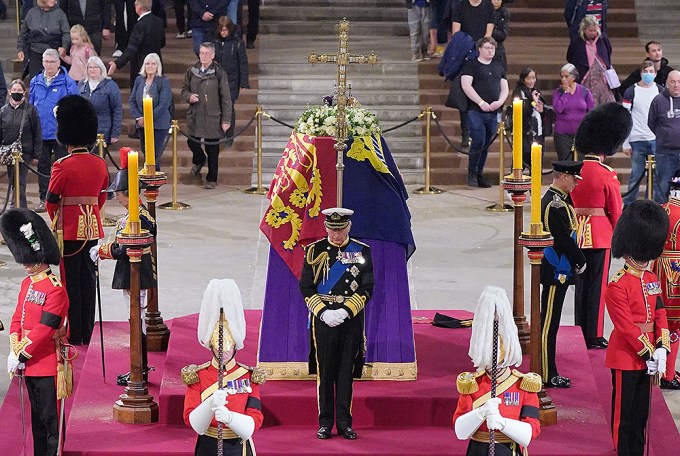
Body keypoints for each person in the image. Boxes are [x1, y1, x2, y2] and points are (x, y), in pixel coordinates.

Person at [299, 208, 374, 440]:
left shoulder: (362, 251)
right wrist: (322, 312)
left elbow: (367, 287)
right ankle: (325, 423)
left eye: (340, 229)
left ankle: (344, 423)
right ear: (326, 227)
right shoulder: (314, 251)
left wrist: (346, 310)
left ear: (348, 228)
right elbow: (306, 287)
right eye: (332, 229)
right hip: (323, 319)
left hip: (349, 318)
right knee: (326, 371)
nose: (336, 235)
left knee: (345, 372)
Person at [2, 208, 69, 456]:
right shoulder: (27, 284)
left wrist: (22, 353)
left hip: (46, 362)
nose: (25, 265)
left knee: (51, 423)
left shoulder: (55, 289)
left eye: (28, 260)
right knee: (37, 421)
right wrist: (14, 348)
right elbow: (17, 318)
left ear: (40, 260)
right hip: (28, 361)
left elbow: (45, 328)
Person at [605, 199, 671, 455]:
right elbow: (625, 327)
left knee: (641, 413)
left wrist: (662, 347)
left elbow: (660, 313)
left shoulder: (651, 278)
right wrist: (649, 351)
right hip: (626, 356)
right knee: (625, 414)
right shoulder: (617, 284)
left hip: (650, 355)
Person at [45, 95, 109, 346]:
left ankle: (74, 333)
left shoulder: (62, 165)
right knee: (89, 281)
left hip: (70, 232)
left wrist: (58, 223)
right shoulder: (100, 164)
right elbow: (100, 199)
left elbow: (51, 201)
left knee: (70, 283)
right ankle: (88, 332)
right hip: (92, 229)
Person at [90, 156, 157, 385]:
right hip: (131, 273)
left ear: (125, 191)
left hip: (136, 273)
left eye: (117, 193)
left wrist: (103, 250)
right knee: (135, 320)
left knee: (137, 321)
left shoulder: (140, 218)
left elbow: (127, 246)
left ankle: (140, 369)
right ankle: (139, 368)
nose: (115, 197)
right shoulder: (132, 215)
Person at [570, 102, 631, 350]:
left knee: (580, 287)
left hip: (577, 234)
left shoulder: (575, 171)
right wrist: (622, 237)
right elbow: (616, 210)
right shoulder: (607, 173)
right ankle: (593, 334)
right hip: (600, 235)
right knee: (597, 287)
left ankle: (578, 328)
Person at [452, 286, 541, 455]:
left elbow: (531, 432)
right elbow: (460, 431)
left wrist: (502, 423)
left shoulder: (523, 385)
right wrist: (480, 413)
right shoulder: (472, 384)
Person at [182, 278, 265, 455]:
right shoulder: (198, 376)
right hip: (208, 445)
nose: (223, 353)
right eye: (219, 348)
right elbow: (191, 419)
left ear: (235, 346)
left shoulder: (248, 377)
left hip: (238, 445)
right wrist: (209, 404)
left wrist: (230, 418)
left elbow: (255, 419)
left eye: (228, 347)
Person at [540, 161, 587, 388]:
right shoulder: (555, 205)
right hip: (555, 270)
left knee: (552, 323)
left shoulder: (560, 200)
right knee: (549, 324)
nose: (577, 183)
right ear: (564, 177)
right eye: (574, 178)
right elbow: (562, 240)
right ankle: (547, 373)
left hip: (561, 269)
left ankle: (547, 370)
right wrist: (580, 260)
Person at [29, 48, 79, 212]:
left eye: (51, 62)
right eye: (45, 61)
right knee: (42, 167)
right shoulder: (35, 81)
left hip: (60, 134)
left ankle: (63, 198)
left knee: (63, 167)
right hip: (40, 133)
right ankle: (44, 199)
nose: (48, 65)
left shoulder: (68, 82)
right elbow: (30, 106)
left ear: (58, 63)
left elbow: (74, 107)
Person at [182, 42, 232, 189]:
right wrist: (188, 96)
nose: (203, 56)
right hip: (195, 114)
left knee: (212, 149)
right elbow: (184, 89)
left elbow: (226, 98)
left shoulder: (219, 73)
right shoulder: (192, 71)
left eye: (206, 53)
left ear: (213, 55)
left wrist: (226, 119)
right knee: (192, 142)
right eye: (201, 53)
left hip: (212, 115)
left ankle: (211, 178)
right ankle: (199, 159)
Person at [461, 36, 508, 188]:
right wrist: (480, 102)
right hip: (475, 110)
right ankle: (472, 173)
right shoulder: (471, 65)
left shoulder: (498, 65)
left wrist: (500, 102)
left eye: (492, 48)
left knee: (486, 143)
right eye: (487, 48)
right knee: (478, 140)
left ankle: (480, 173)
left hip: (492, 111)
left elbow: (504, 87)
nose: (490, 51)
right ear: (479, 49)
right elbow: (466, 85)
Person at [452, 0, 494, 148]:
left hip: (482, 56)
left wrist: (481, 49)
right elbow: (456, 33)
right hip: (465, 56)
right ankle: (466, 133)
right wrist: (469, 48)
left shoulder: (488, 6)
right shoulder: (460, 6)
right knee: (464, 98)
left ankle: (485, 131)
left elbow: (488, 33)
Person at [651, 175, 680, 390]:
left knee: (659, 320)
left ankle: (660, 367)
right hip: (677, 270)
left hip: (658, 266)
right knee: (674, 325)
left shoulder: (661, 209)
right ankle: (667, 374)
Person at [621, 60, 663, 207]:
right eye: (646, 71)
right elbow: (625, 117)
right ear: (641, 73)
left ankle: (654, 205)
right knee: (636, 175)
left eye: (651, 72)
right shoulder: (631, 91)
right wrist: (625, 142)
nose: (648, 74)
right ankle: (628, 205)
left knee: (657, 176)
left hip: (655, 139)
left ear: (656, 73)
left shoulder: (660, 90)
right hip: (636, 139)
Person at [0, 80, 42, 209]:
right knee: (13, 182)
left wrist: (37, 154)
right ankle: (19, 207)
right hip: (9, 152)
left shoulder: (31, 110)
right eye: (14, 90)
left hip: (25, 151)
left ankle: (16, 207)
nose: (16, 93)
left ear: (24, 92)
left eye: (19, 91)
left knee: (20, 181)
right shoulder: (3, 111)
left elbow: (37, 132)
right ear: (9, 92)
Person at [129, 53, 173, 171]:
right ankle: (148, 177)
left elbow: (164, 104)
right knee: (146, 152)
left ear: (158, 66)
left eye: (153, 64)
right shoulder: (139, 80)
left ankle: (153, 181)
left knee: (154, 154)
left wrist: (148, 118)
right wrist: (139, 117)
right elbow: (132, 100)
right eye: (147, 63)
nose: (150, 66)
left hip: (158, 124)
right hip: (142, 124)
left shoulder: (163, 81)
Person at [108, 0, 166, 88]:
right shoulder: (159, 22)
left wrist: (117, 63)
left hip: (141, 66)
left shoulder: (140, 25)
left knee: (140, 95)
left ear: (139, 7)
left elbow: (131, 49)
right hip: (156, 63)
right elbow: (162, 43)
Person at [214, 16, 249, 148]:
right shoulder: (214, 42)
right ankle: (219, 134)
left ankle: (229, 136)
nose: (223, 32)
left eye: (225, 30)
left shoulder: (237, 43)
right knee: (217, 107)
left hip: (232, 81)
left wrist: (243, 82)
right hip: (216, 80)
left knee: (229, 108)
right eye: (221, 30)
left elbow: (243, 63)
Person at [647, 70, 680, 204]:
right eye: (673, 82)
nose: (676, 85)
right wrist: (665, 135)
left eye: (679, 82)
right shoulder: (658, 100)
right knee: (662, 189)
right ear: (667, 83)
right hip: (665, 153)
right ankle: (661, 220)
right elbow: (651, 123)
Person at [566, 16, 614, 106]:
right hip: (584, 76)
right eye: (590, 30)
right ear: (584, 30)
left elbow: (608, 52)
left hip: (601, 78)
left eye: (594, 30)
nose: (593, 33)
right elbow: (570, 56)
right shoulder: (576, 41)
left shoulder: (603, 39)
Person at [17, 0, 70, 81]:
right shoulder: (32, 13)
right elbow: (23, 33)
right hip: (35, 52)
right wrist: (20, 49)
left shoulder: (60, 14)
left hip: (53, 51)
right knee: (35, 80)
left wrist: (64, 47)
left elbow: (66, 33)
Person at [552, 63, 594, 161]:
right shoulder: (558, 92)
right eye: (562, 76)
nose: (563, 79)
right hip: (563, 134)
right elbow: (558, 109)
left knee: (581, 162)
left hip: (581, 133)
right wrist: (565, 93)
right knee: (566, 162)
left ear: (573, 77)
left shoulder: (584, 91)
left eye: (566, 76)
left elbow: (591, 111)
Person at [78, 56, 123, 147]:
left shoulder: (110, 85)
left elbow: (117, 109)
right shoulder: (81, 84)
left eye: (95, 67)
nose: (92, 70)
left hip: (102, 131)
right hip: (83, 132)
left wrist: (115, 133)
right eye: (90, 67)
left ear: (101, 69)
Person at [511, 67, 545, 168]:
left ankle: (536, 182)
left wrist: (542, 110)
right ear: (523, 79)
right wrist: (533, 102)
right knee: (521, 161)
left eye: (533, 78)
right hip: (524, 134)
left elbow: (543, 110)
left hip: (537, 132)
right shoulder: (518, 92)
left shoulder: (536, 91)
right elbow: (522, 111)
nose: (531, 81)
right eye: (528, 78)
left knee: (537, 163)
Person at [491, 0, 509, 71]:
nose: (496, 2)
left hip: (498, 46)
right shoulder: (482, 11)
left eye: (498, 0)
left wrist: (490, 31)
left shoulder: (504, 13)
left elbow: (503, 34)